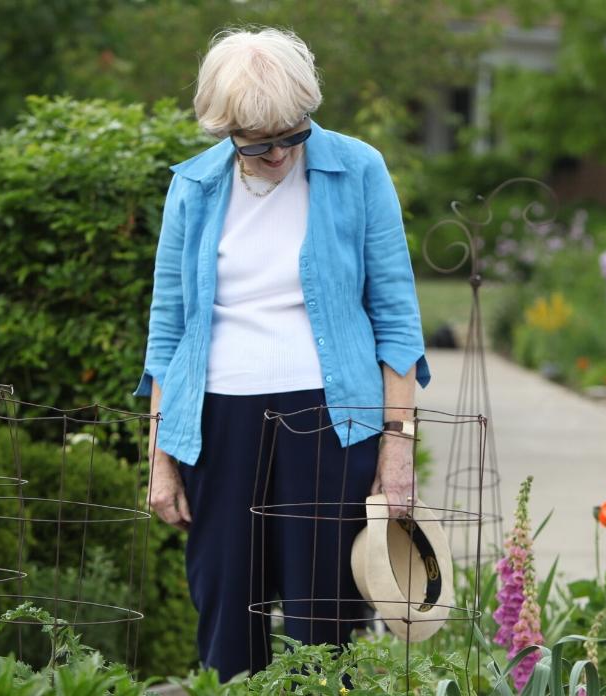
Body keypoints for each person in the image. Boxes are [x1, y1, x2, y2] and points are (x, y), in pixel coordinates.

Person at [134, 28, 429, 678]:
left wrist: (398, 445)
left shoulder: (358, 169)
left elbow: (398, 320)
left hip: (330, 421)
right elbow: (168, 331)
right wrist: (160, 459)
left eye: (292, 136)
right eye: (257, 142)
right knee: (226, 612)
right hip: (216, 423)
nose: (278, 155)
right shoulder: (192, 187)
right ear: (225, 128)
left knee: (324, 623)